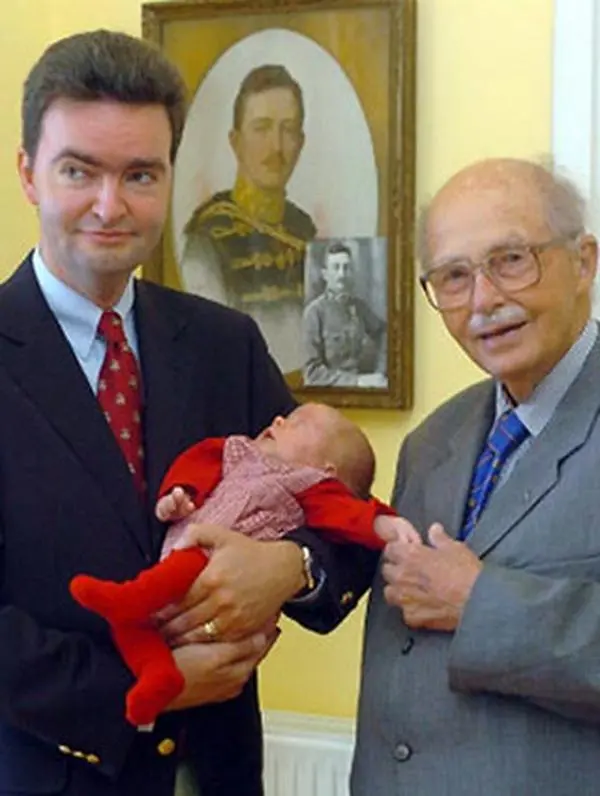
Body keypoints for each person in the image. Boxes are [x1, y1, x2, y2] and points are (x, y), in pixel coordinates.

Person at [0, 29, 371, 796]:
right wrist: (138, 690)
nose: (111, 205)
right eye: (80, 170)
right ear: (29, 173)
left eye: (140, 174)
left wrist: (288, 568)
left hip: (220, 773)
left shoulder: (222, 344)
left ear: (171, 178)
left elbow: (344, 516)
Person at [351, 158, 600, 795]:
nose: (484, 300)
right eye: (454, 277)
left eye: (511, 259)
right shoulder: (432, 442)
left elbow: (459, 601)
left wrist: (480, 604)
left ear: (585, 262)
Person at [71, 403, 407, 727]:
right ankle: (157, 675)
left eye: (298, 423)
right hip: (68, 735)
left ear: (326, 472)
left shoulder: (308, 485)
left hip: (208, 558)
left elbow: (349, 516)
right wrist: (180, 492)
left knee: (184, 566)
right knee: (135, 629)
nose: (278, 418)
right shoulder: (236, 451)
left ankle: (127, 598)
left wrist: (383, 526)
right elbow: (199, 461)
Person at [179, 64, 315, 376]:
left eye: (288, 130)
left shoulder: (305, 232)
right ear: (235, 141)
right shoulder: (207, 238)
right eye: (262, 128)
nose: (276, 147)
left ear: (302, 142)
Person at [303, 241, 387, 386]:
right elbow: (312, 374)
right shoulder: (314, 313)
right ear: (325, 274)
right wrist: (357, 381)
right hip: (331, 395)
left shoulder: (359, 307)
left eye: (346, 268)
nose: (342, 274)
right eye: (336, 268)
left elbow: (385, 332)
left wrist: (380, 370)